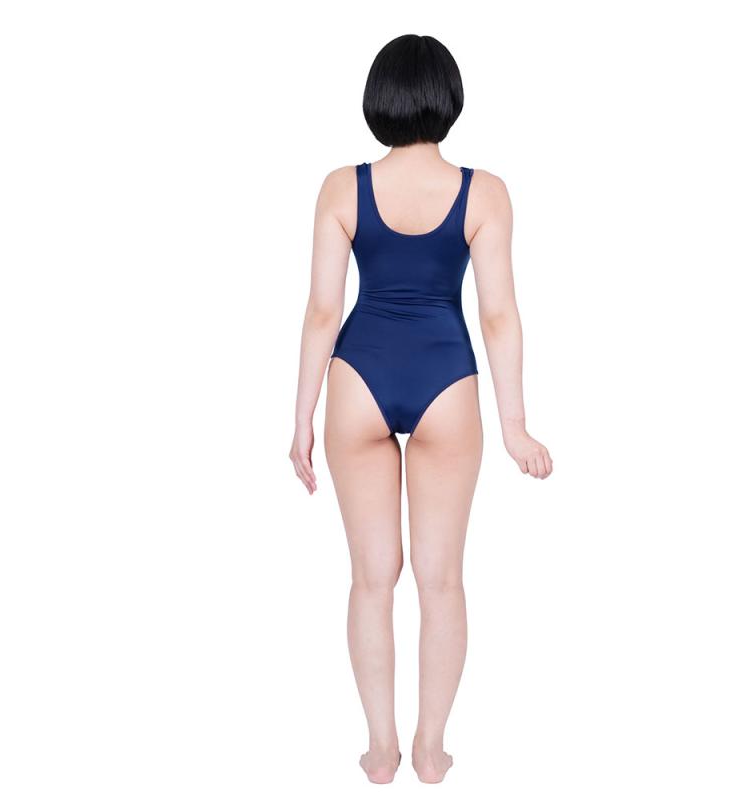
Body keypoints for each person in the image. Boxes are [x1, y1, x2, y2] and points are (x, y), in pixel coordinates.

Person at [289, 33, 553, 784]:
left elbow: (321, 311)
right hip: (446, 378)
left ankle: (381, 751)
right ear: (448, 97)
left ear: (378, 97)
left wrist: (301, 418)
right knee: (441, 580)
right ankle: (431, 752)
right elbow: (498, 316)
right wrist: (514, 426)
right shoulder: (484, 192)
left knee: (372, 579)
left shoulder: (342, 188)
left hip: (358, 376)